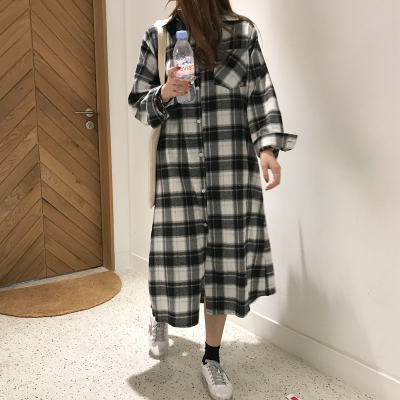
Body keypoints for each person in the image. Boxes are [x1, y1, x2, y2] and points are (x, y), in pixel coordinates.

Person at [128, 1, 297, 398]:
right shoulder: (159, 35)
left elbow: (260, 92)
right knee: (174, 256)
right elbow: (138, 103)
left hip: (230, 171)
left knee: (223, 265)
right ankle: (159, 315)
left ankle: (212, 357)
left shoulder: (242, 34)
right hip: (178, 169)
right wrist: (163, 93)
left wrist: (267, 147)